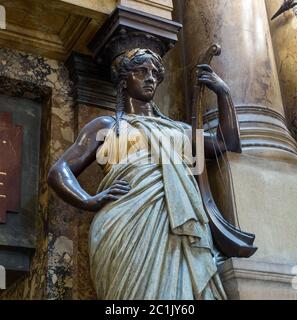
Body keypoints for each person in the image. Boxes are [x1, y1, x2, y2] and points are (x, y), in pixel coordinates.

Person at [48, 48, 241, 300]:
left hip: (177, 224)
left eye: (154, 73)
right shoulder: (107, 126)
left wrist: (223, 93)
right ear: (124, 80)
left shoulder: (178, 130)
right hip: (125, 222)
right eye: (141, 72)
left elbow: (226, 143)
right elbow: (59, 170)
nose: (150, 78)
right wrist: (89, 200)